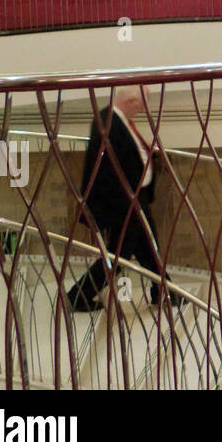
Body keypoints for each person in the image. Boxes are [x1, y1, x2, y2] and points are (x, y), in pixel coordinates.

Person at [66, 86, 182, 312]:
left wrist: (148, 154)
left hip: (134, 200)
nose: (144, 109)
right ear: (131, 102)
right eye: (142, 104)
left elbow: (128, 155)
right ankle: (79, 295)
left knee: (148, 248)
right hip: (125, 205)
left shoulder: (116, 121)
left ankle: (164, 292)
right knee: (120, 255)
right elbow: (107, 172)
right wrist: (126, 207)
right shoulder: (109, 124)